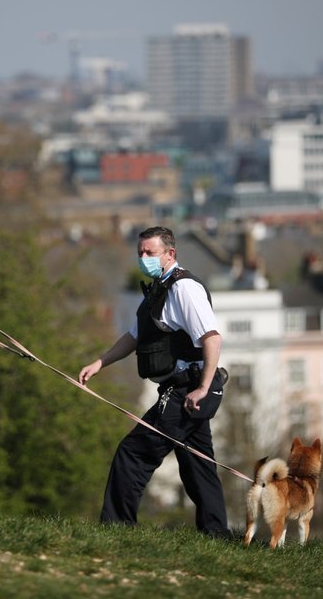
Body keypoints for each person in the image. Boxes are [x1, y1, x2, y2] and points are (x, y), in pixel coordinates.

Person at [78, 226, 230, 537]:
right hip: (182, 388)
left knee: (133, 453)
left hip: (190, 388)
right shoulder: (157, 289)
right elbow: (134, 336)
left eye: (150, 252)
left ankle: (117, 529)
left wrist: (202, 387)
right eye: (140, 253)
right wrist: (100, 362)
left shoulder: (184, 289)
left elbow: (212, 338)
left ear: (170, 254)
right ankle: (217, 533)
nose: (144, 258)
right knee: (197, 464)